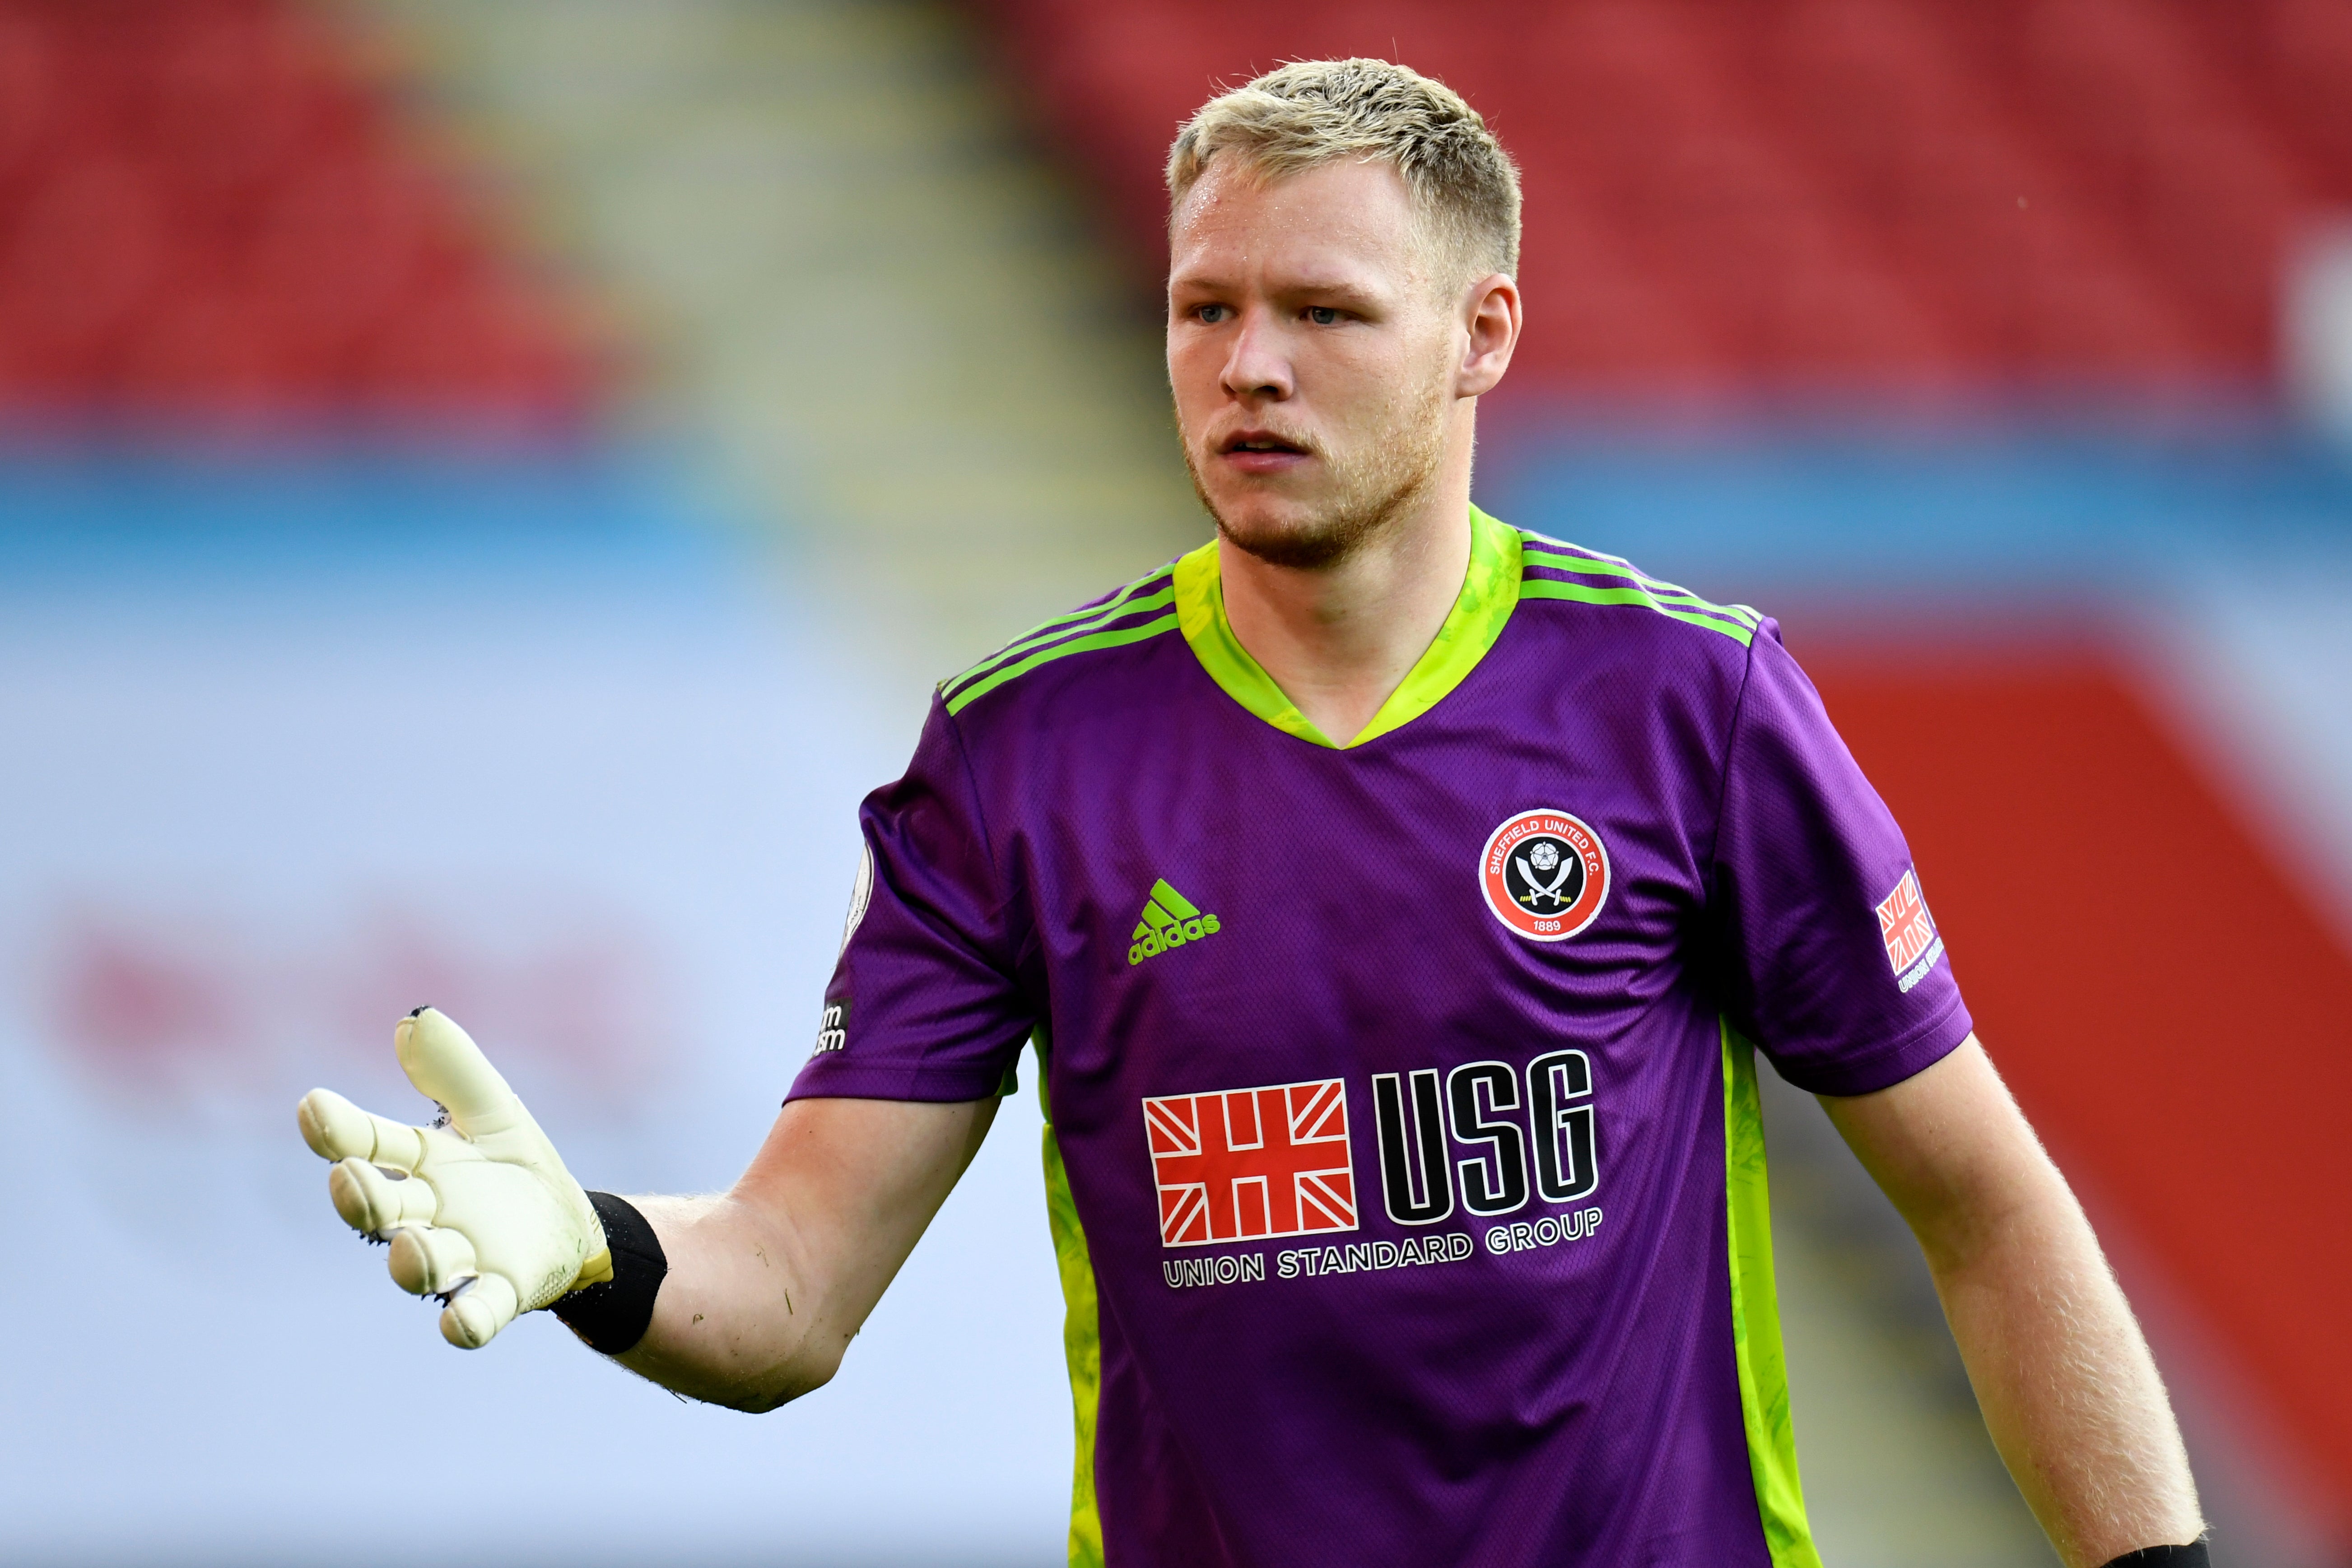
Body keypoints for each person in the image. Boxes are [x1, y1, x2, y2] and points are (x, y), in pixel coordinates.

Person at [299, 57, 2209, 1568]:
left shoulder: (1685, 704)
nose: (1248, 365)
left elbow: (1984, 1209)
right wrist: (600, 1248)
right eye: (1203, 308)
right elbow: (792, 1287)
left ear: (1483, 334)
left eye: (1323, 310)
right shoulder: (1019, 757)